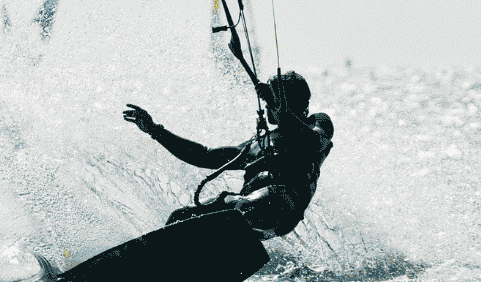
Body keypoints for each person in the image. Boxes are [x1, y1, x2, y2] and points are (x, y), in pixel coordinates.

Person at [123, 71, 334, 240]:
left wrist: (282, 108)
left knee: (239, 211)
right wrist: (154, 130)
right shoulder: (256, 144)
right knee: (182, 217)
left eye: (273, 98)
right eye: (268, 98)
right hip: (245, 208)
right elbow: (204, 156)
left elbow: (314, 142)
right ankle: (167, 261)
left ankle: (229, 235)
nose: (267, 103)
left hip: (280, 207)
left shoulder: (317, 124)